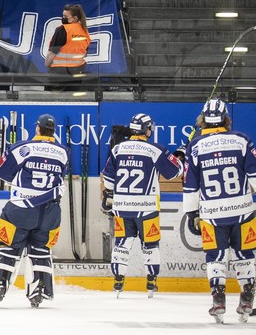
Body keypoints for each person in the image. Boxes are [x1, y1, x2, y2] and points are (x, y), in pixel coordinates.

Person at [0, 114, 68, 308]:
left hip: (21, 209)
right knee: (41, 249)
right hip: (51, 211)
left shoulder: (22, 148)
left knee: (6, 245)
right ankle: (40, 288)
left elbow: (4, 172)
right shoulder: (63, 151)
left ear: (37, 128)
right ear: (54, 130)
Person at [183, 99, 256, 323]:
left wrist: (191, 213)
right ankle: (247, 295)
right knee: (246, 254)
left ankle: (218, 297)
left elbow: (190, 185)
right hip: (243, 210)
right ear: (226, 119)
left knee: (215, 257)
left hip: (212, 214)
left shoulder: (195, 146)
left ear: (203, 120)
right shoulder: (241, 140)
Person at [100, 113, 183, 297]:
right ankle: (151, 281)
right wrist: (180, 157)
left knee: (122, 243)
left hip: (122, 206)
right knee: (150, 244)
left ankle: (118, 281)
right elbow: (174, 172)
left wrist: (109, 195)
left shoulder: (118, 149)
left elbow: (108, 178)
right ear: (146, 129)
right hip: (147, 207)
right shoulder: (154, 149)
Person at [46, 4, 91, 77]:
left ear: (75, 18)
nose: (63, 18)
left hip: (60, 71)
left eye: (65, 16)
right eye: (63, 16)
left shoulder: (62, 29)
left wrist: (47, 64)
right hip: (78, 68)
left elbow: (52, 52)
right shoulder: (85, 30)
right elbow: (84, 52)